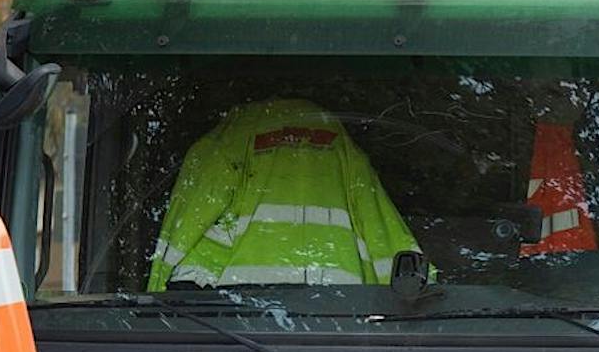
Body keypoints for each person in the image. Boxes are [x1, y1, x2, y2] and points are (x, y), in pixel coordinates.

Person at [149, 98, 419, 291]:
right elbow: (385, 232)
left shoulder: (228, 138)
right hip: (337, 326)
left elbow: (184, 226)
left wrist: (154, 302)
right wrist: (422, 301)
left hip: (234, 328)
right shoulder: (341, 143)